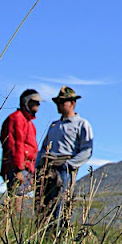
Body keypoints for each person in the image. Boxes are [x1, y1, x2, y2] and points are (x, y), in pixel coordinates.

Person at [35, 86, 93, 229]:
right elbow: (43, 147)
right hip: (47, 167)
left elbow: (87, 149)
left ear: (72, 103)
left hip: (64, 168)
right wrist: (38, 165)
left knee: (60, 204)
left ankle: (58, 236)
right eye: (58, 103)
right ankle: (43, 234)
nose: (59, 106)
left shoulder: (81, 124)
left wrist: (69, 164)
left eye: (62, 102)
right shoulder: (54, 125)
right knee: (42, 204)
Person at [0, 89, 42, 213]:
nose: (38, 106)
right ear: (26, 102)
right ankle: (9, 228)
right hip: (19, 168)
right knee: (16, 202)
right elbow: (15, 145)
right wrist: (18, 169)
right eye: (35, 102)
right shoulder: (16, 119)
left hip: (27, 168)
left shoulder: (29, 123)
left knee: (20, 201)